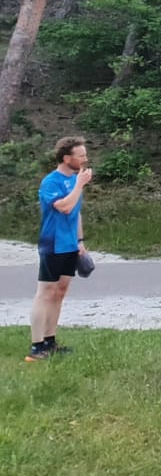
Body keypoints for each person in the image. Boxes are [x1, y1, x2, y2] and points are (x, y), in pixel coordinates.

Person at [27, 137, 91, 363]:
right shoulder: (51, 182)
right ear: (67, 158)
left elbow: (76, 212)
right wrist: (80, 184)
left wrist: (80, 241)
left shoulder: (74, 179)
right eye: (81, 155)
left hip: (69, 244)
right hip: (52, 242)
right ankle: (36, 348)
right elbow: (64, 207)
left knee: (60, 292)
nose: (85, 159)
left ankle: (50, 341)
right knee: (45, 292)